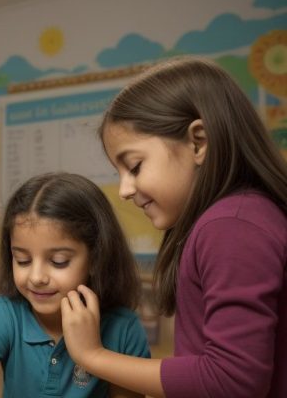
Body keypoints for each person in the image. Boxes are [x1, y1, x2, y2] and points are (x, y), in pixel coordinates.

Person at [61, 57, 287, 397]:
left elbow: (231, 382)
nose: (124, 190)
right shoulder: (236, 219)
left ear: (198, 142)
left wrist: (92, 356)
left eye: (134, 167)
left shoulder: (231, 226)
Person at [0, 173, 147, 397]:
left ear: (96, 258)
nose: (36, 277)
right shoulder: (7, 314)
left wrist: (95, 353)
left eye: (58, 261)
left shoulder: (123, 328)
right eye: (22, 260)